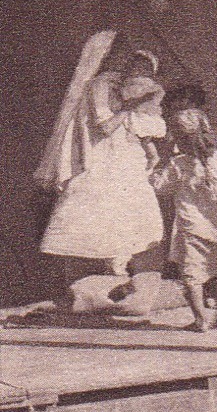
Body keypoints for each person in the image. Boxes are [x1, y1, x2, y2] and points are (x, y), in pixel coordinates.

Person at [35, 32, 168, 279]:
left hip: (129, 154)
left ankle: (119, 265)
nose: (130, 64)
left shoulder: (133, 84)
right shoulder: (101, 84)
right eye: (125, 58)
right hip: (106, 153)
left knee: (131, 210)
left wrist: (148, 138)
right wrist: (132, 106)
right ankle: (88, 274)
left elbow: (146, 124)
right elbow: (106, 126)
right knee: (99, 208)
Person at [148, 86, 217, 331]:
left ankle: (200, 319)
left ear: (178, 138)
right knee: (215, 274)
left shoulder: (179, 164)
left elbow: (161, 187)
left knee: (192, 276)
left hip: (194, 229)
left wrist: (153, 170)